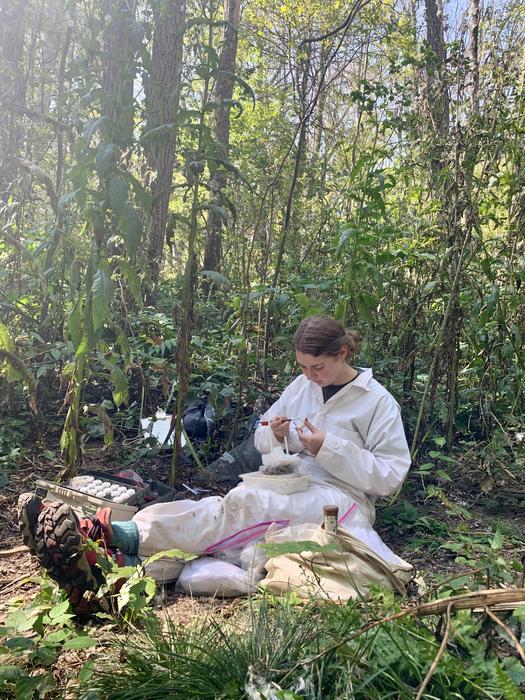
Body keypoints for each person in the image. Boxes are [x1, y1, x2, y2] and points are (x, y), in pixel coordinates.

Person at [18, 314, 411, 612]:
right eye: (303, 367)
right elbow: (261, 435)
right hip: (288, 482)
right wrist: (274, 433)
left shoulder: (376, 401)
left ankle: (120, 534)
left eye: (317, 367)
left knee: (244, 507)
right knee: (230, 522)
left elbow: (390, 477)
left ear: (342, 353)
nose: (309, 376)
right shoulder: (303, 385)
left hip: (340, 500)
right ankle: (112, 571)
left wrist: (329, 447)